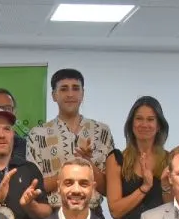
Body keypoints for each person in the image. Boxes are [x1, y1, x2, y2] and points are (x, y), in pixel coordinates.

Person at [27, 69, 114, 209]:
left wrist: (89, 164)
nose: (70, 94)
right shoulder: (38, 134)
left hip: (91, 212)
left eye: (75, 88)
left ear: (82, 94)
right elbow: (34, 187)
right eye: (63, 89)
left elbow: (109, 190)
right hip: (53, 212)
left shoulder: (101, 132)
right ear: (54, 95)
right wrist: (68, 172)